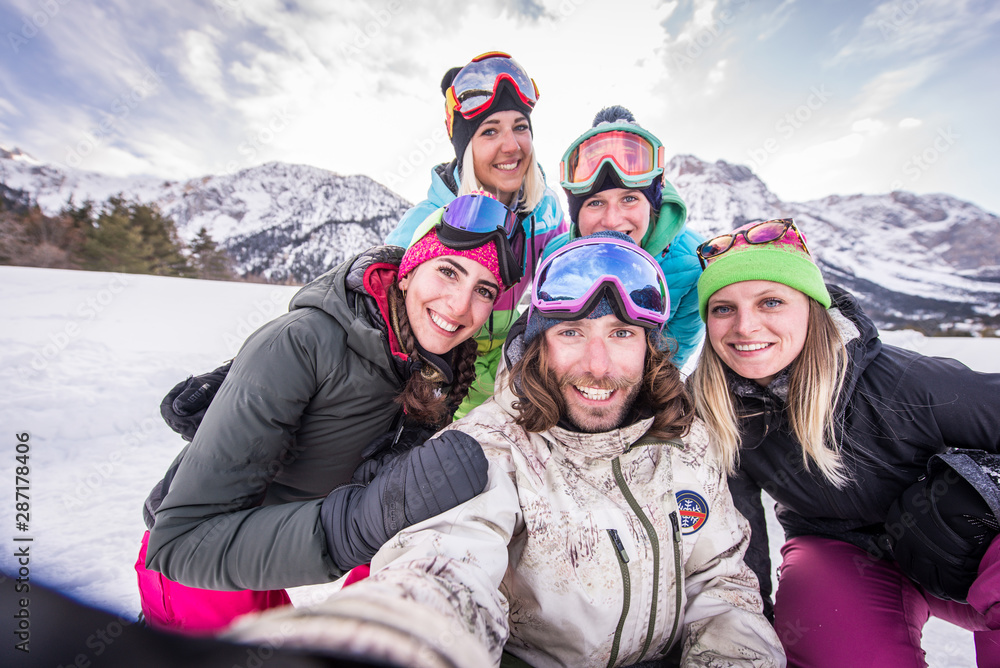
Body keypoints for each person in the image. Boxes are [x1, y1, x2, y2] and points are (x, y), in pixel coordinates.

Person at [228, 232, 786, 668]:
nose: (597, 364)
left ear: (651, 348)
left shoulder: (685, 442)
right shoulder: (489, 447)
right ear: (537, 346)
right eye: (570, 332)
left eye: (621, 334)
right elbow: (443, 573)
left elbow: (720, 579)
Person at [137, 193, 518, 635]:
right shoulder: (303, 342)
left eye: (483, 290)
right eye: (448, 271)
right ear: (409, 271)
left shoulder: (439, 368)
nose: (458, 305)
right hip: (199, 571)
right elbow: (181, 543)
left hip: (288, 546)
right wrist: (357, 522)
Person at [688, 218, 1000, 666]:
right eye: (723, 309)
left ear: (813, 307)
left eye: (770, 301)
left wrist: (980, 493)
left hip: (971, 546)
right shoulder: (720, 412)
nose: (745, 326)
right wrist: (751, 629)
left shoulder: (904, 384)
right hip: (840, 548)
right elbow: (739, 538)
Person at [384, 51, 566, 417]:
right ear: (466, 148)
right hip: (430, 393)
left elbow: (567, 283)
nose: (511, 146)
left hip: (500, 389)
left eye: (520, 126)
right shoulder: (429, 222)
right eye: (490, 131)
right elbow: (377, 320)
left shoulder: (543, 212)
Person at [542, 105, 704, 368]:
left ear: (652, 205)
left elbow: (668, 366)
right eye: (595, 202)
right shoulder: (555, 257)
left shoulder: (691, 263)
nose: (612, 220)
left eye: (629, 199)